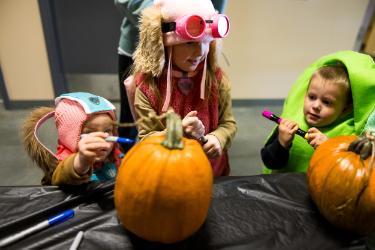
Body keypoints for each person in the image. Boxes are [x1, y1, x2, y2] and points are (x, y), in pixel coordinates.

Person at [129, 0, 237, 176]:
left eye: (205, 43)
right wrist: (176, 132)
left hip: (211, 174)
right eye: (189, 43)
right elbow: (146, 140)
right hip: (167, 174)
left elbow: (228, 123)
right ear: (163, 42)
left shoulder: (216, 80)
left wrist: (219, 138)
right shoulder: (148, 86)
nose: (200, 52)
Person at [261, 50, 375, 173]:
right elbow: (269, 162)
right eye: (312, 97)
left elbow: (351, 174)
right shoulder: (290, 122)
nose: (315, 106)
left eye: (326, 102)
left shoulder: (349, 135)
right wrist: (281, 143)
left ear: (345, 109)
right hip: (281, 188)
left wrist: (331, 149)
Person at [22, 92, 123, 185]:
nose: (102, 139)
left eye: (107, 131)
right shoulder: (63, 163)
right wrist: (82, 160)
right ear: (69, 137)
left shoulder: (114, 153)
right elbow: (64, 175)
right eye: (89, 133)